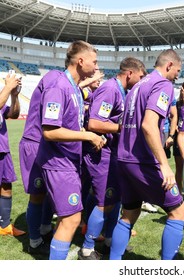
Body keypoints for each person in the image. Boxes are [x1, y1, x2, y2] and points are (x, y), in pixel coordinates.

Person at [110, 49, 184, 260]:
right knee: (179, 212)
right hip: (142, 160)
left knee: (129, 214)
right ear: (169, 65)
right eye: (178, 70)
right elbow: (148, 125)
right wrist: (164, 164)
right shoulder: (163, 85)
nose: (178, 76)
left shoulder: (137, 86)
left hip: (124, 158)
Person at [36, 40, 106, 260]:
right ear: (81, 61)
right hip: (58, 163)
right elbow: (49, 131)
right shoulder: (59, 86)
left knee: (69, 218)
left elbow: (70, 125)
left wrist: (87, 133)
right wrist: (87, 135)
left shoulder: (74, 89)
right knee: (72, 219)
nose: (96, 68)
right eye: (94, 62)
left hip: (68, 162)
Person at [78, 57, 146, 260]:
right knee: (104, 202)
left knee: (114, 198)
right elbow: (95, 123)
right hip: (101, 155)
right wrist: (124, 128)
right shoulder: (110, 89)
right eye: (141, 77)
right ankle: (87, 248)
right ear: (130, 73)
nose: (142, 81)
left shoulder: (121, 91)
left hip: (113, 154)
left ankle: (109, 240)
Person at [19, 70, 64, 254]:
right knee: (37, 195)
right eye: (93, 62)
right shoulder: (55, 79)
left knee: (46, 192)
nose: (95, 69)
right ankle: (34, 242)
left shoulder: (60, 81)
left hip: (43, 144)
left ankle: (44, 229)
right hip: (35, 144)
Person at [0, 72, 25, 237]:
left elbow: (13, 114)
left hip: (2, 149)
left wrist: (14, 96)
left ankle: (4, 226)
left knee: (6, 185)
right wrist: (8, 86)